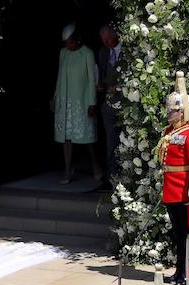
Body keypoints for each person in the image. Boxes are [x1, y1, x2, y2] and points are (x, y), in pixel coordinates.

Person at [156, 71, 189, 285]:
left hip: (186, 191)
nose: (169, 113)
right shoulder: (170, 131)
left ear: (182, 111)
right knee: (179, 234)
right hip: (172, 191)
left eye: (174, 110)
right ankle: (179, 272)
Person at [52, 23, 100, 185]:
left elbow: (92, 79)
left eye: (70, 42)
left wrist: (92, 103)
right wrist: (55, 97)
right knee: (67, 138)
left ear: (78, 40)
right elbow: (59, 77)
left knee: (86, 139)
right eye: (66, 43)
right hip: (65, 102)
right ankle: (67, 170)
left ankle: (96, 166)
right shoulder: (63, 53)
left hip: (82, 102)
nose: (68, 45)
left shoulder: (87, 53)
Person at [97, 24, 121, 185]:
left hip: (125, 103)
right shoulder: (103, 52)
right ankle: (112, 178)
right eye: (103, 40)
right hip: (108, 104)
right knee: (110, 142)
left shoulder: (126, 51)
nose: (106, 43)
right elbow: (101, 74)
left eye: (108, 39)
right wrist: (101, 86)